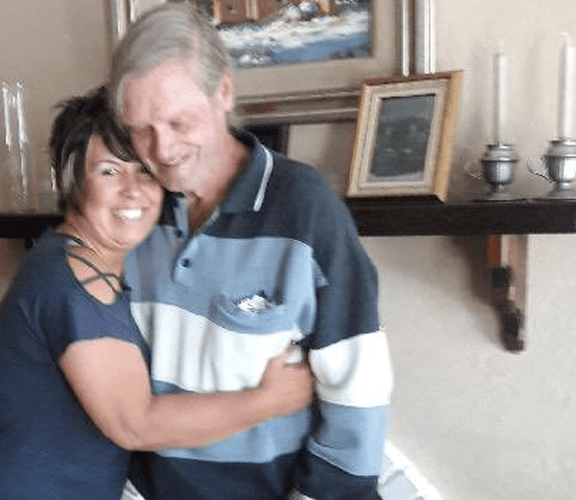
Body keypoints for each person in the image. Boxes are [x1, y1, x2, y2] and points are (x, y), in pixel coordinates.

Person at [0, 86, 314, 500]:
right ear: (73, 181)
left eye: (144, 171)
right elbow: (136, 425)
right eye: (109, 171)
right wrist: (269, 401)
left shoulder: (86, 261)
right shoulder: (73, 283)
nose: (132, 190)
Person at [108, 3, 393, 500]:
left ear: (223, 92)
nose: (162, 150)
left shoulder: (305, 207)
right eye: (141, 129)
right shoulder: (130, 213)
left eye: (179, 122)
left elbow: (358, 386)